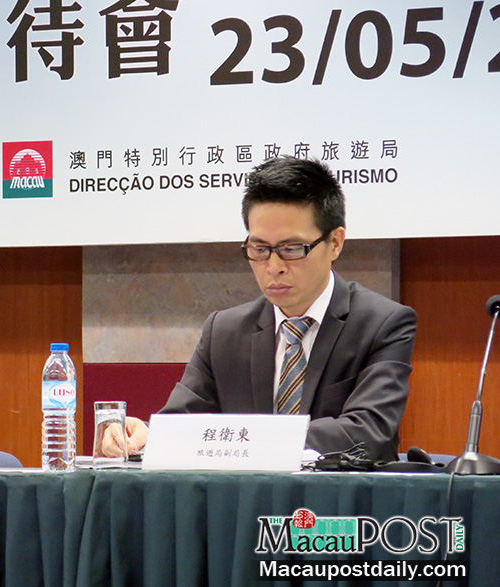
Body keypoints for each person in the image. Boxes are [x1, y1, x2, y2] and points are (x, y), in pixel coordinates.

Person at [116, 156, 417, 462]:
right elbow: (181, 423)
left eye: (292, 249)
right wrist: (148, 434)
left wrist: (250, 439)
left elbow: (369, 433)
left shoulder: (382, 324)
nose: (274, 267)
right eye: (260, 249)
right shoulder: (224, 331)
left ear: (335, 243)